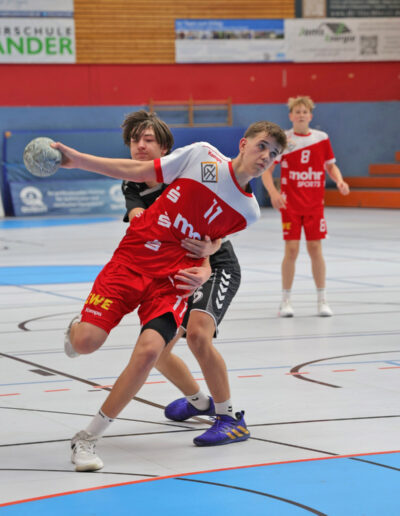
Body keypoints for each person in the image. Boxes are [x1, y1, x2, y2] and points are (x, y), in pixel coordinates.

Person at [53, 117, 287, 471]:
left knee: (157, 349)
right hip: (132, 261)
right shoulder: (201, 156)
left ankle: (88, 437)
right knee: (86, 342)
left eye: (274, 153)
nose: (266, 156)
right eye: (262, 146)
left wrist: (205, 268)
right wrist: (78, 160)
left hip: (173, 279)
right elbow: (137, 170)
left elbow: (212, 244)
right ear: (243, 144)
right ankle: (194, 398)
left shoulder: (248, 212)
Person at [120, 111, 242, 435]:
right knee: (156, 349)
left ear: (164, 148)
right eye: (135, 140)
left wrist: (211, 248)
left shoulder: (185, 175)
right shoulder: (132, 181)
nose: (140, 145)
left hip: (215, 265)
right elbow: (140, 219)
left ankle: (230, 419)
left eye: (148, 140)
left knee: (199, 336)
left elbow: (222, 223)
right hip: (176, 271)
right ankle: (199, 402)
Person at [261, 95, 350, 318]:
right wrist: (273, 193)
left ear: (310, 116)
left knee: (315, 249)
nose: (301, 115)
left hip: (314, 205)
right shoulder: (283, 140)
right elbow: (267, 170)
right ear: (291, 116)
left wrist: (339, 181)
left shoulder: (321, 138)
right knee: (291, 250)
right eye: (297, 112)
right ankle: (285, 301)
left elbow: (331, 167)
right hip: (290, 205)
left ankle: (322, 300)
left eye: (304, 112)